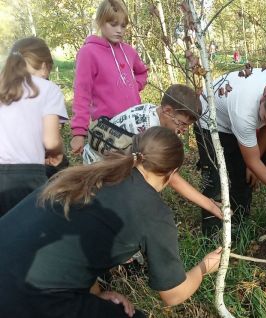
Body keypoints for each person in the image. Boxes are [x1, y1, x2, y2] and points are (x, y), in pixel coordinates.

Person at [0, 127, 222, 318]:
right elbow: (173, 294)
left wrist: (96, 294)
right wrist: (205, 267)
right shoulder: (153, 212)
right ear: (172, 172)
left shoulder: (87, 175)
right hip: (26, 297)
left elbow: (74, 249)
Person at [84, 84, 222, 219]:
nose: (183, 130)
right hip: (100, 168)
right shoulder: (149, 129)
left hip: (107, 158)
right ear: (167, 111)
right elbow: (170, 176)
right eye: (182, 124)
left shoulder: (154, 110)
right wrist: (209, 205)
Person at [195, 68, 266, 236]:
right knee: (215, 180)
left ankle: (239, 227)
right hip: (210, 120)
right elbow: (252, 160)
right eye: (265, 119)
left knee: (244, 177)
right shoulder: (244, 110)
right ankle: (212, 236)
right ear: (263, 98)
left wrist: (253, 164)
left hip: (236, 118)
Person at [0, 37, 68, 216]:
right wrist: (58, 155)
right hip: (27, 176)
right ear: (45, 65)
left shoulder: (2, 88)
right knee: (27, 236)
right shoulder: (48, 89)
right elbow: (51, 141)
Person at [70, 0, 148, 156]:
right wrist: (79, 132)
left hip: (134, 123)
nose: (119, 30)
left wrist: (135, 85)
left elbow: (142, 72)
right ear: (100, 21)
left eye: (123, 26)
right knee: (112, 173)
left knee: (135, 167)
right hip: (109, 127)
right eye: (113, 24)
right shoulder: (89, 52)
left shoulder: (129, 51)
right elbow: (82, 93)